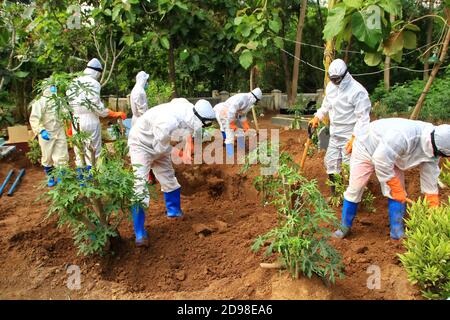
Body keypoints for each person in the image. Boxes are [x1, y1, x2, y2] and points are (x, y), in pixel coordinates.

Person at [333, 118, 450, 240]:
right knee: (356, 188)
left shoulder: (435, 149)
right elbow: (381, 160)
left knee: (398, 193)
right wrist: (395, 187)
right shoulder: (404, 136)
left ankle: (397, 231)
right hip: (366, 148)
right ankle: (344, 227)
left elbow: (430, 180)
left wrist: (434, 208)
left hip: (393, 156)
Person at [128, 98, 216, 246]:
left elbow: (188, 125)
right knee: (139, 185)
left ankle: (174, 212)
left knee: (169, 178)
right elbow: (160, 147)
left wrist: (188, 146)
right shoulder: (168, 122)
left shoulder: (189, 110)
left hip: (159, 143)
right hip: (141, 144)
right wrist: (180, 154)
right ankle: (139, 232)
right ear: (198, 117)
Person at [309, 59, 372, 197]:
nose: (335, 82)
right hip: (335, 133)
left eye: (337, 79)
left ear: (345, 75)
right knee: (330, 163)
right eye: (332, 79)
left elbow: (363, 118)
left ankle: (353, 196)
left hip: (350, 135)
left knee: (349, 166)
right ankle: (335, 195)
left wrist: (355, 137)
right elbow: (326, 106)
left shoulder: (358, 91)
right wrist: (317, 117)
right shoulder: (331, 87)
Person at [66, 58, 126, 170]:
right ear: (97, 72)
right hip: (89, 120)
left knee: (79, 151)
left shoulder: (74, 82)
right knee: (92, 151)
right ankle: (92, 180)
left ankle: (82, 182)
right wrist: (111, 113)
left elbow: (69, 104)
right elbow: (96, 106)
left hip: (75, 120)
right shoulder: (94, 83)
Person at [29, 84, 69, 186]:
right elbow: (34, 118)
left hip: (59, 131)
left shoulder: (59, 100)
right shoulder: (39, 101)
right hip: (46, 132)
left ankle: (61, 177)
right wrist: (41, 130)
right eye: (51, 87)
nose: (53, 88)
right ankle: (50, 177)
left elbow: (66, 113)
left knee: (62, 155)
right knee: (47, 156)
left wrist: (67, 118)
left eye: (54, 86)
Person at [214, 88, 262, 156]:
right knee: (229, 134)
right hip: (225, 114)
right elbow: (231, 111)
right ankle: (230, 155)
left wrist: (245, 125)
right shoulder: (242, 98)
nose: (256, 103)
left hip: (232, 115)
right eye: (257, 101)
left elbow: (242, 115)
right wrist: (232, 124)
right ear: (254, 98)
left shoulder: (249, 102)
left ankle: (241, 149)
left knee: (241, 132)